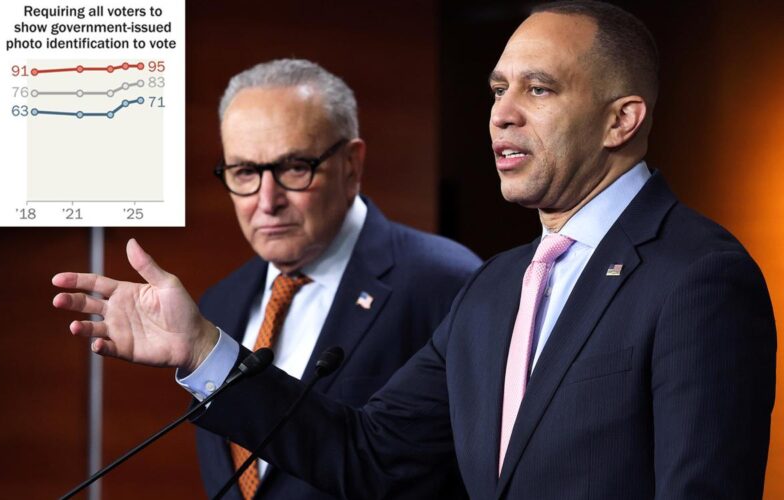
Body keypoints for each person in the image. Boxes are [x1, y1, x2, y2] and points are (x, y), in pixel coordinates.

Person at [53, 2, 777, 499]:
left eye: (539, 89)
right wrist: (203, 351)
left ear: (622, 120)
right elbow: (369, 455)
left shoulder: (699, 277)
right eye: (498, 88)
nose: (502, 112)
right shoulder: (495, 287)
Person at [58, 58, 481, 499]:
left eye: (294, 167)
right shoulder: (218, 305)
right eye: (245, 172)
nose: (266, 201)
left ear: (351, 165)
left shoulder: (446, 284)